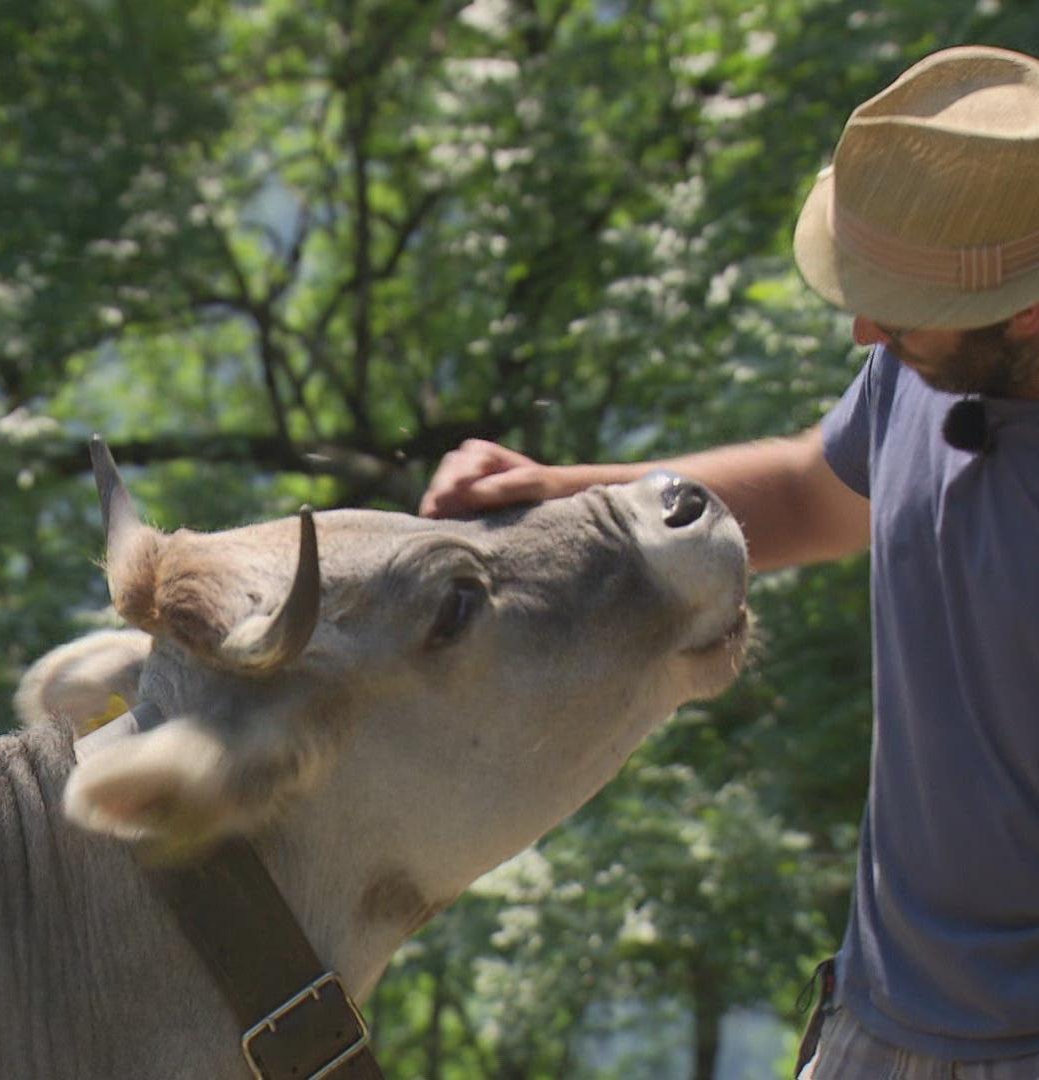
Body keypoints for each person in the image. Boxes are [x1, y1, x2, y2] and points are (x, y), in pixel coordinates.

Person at [419, 45, 1039, 1079]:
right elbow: (805, 492)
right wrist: (576, 498)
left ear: (1024, 310)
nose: (860, 327)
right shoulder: (925, 371)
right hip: (875, 1021)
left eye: (896, 306)